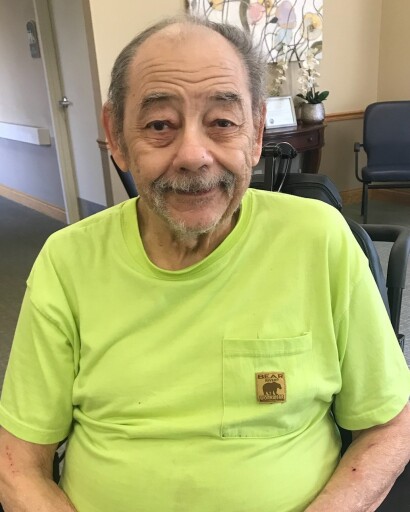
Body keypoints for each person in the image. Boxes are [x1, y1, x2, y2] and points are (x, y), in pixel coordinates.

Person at [0, 14, 409, 512]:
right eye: (159, 125)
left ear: (256, 134)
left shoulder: (319, 240)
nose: (193, 155)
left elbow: (390, 425)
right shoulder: (67, 262)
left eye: (222, 123)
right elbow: (17, 464)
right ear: (117, 136)